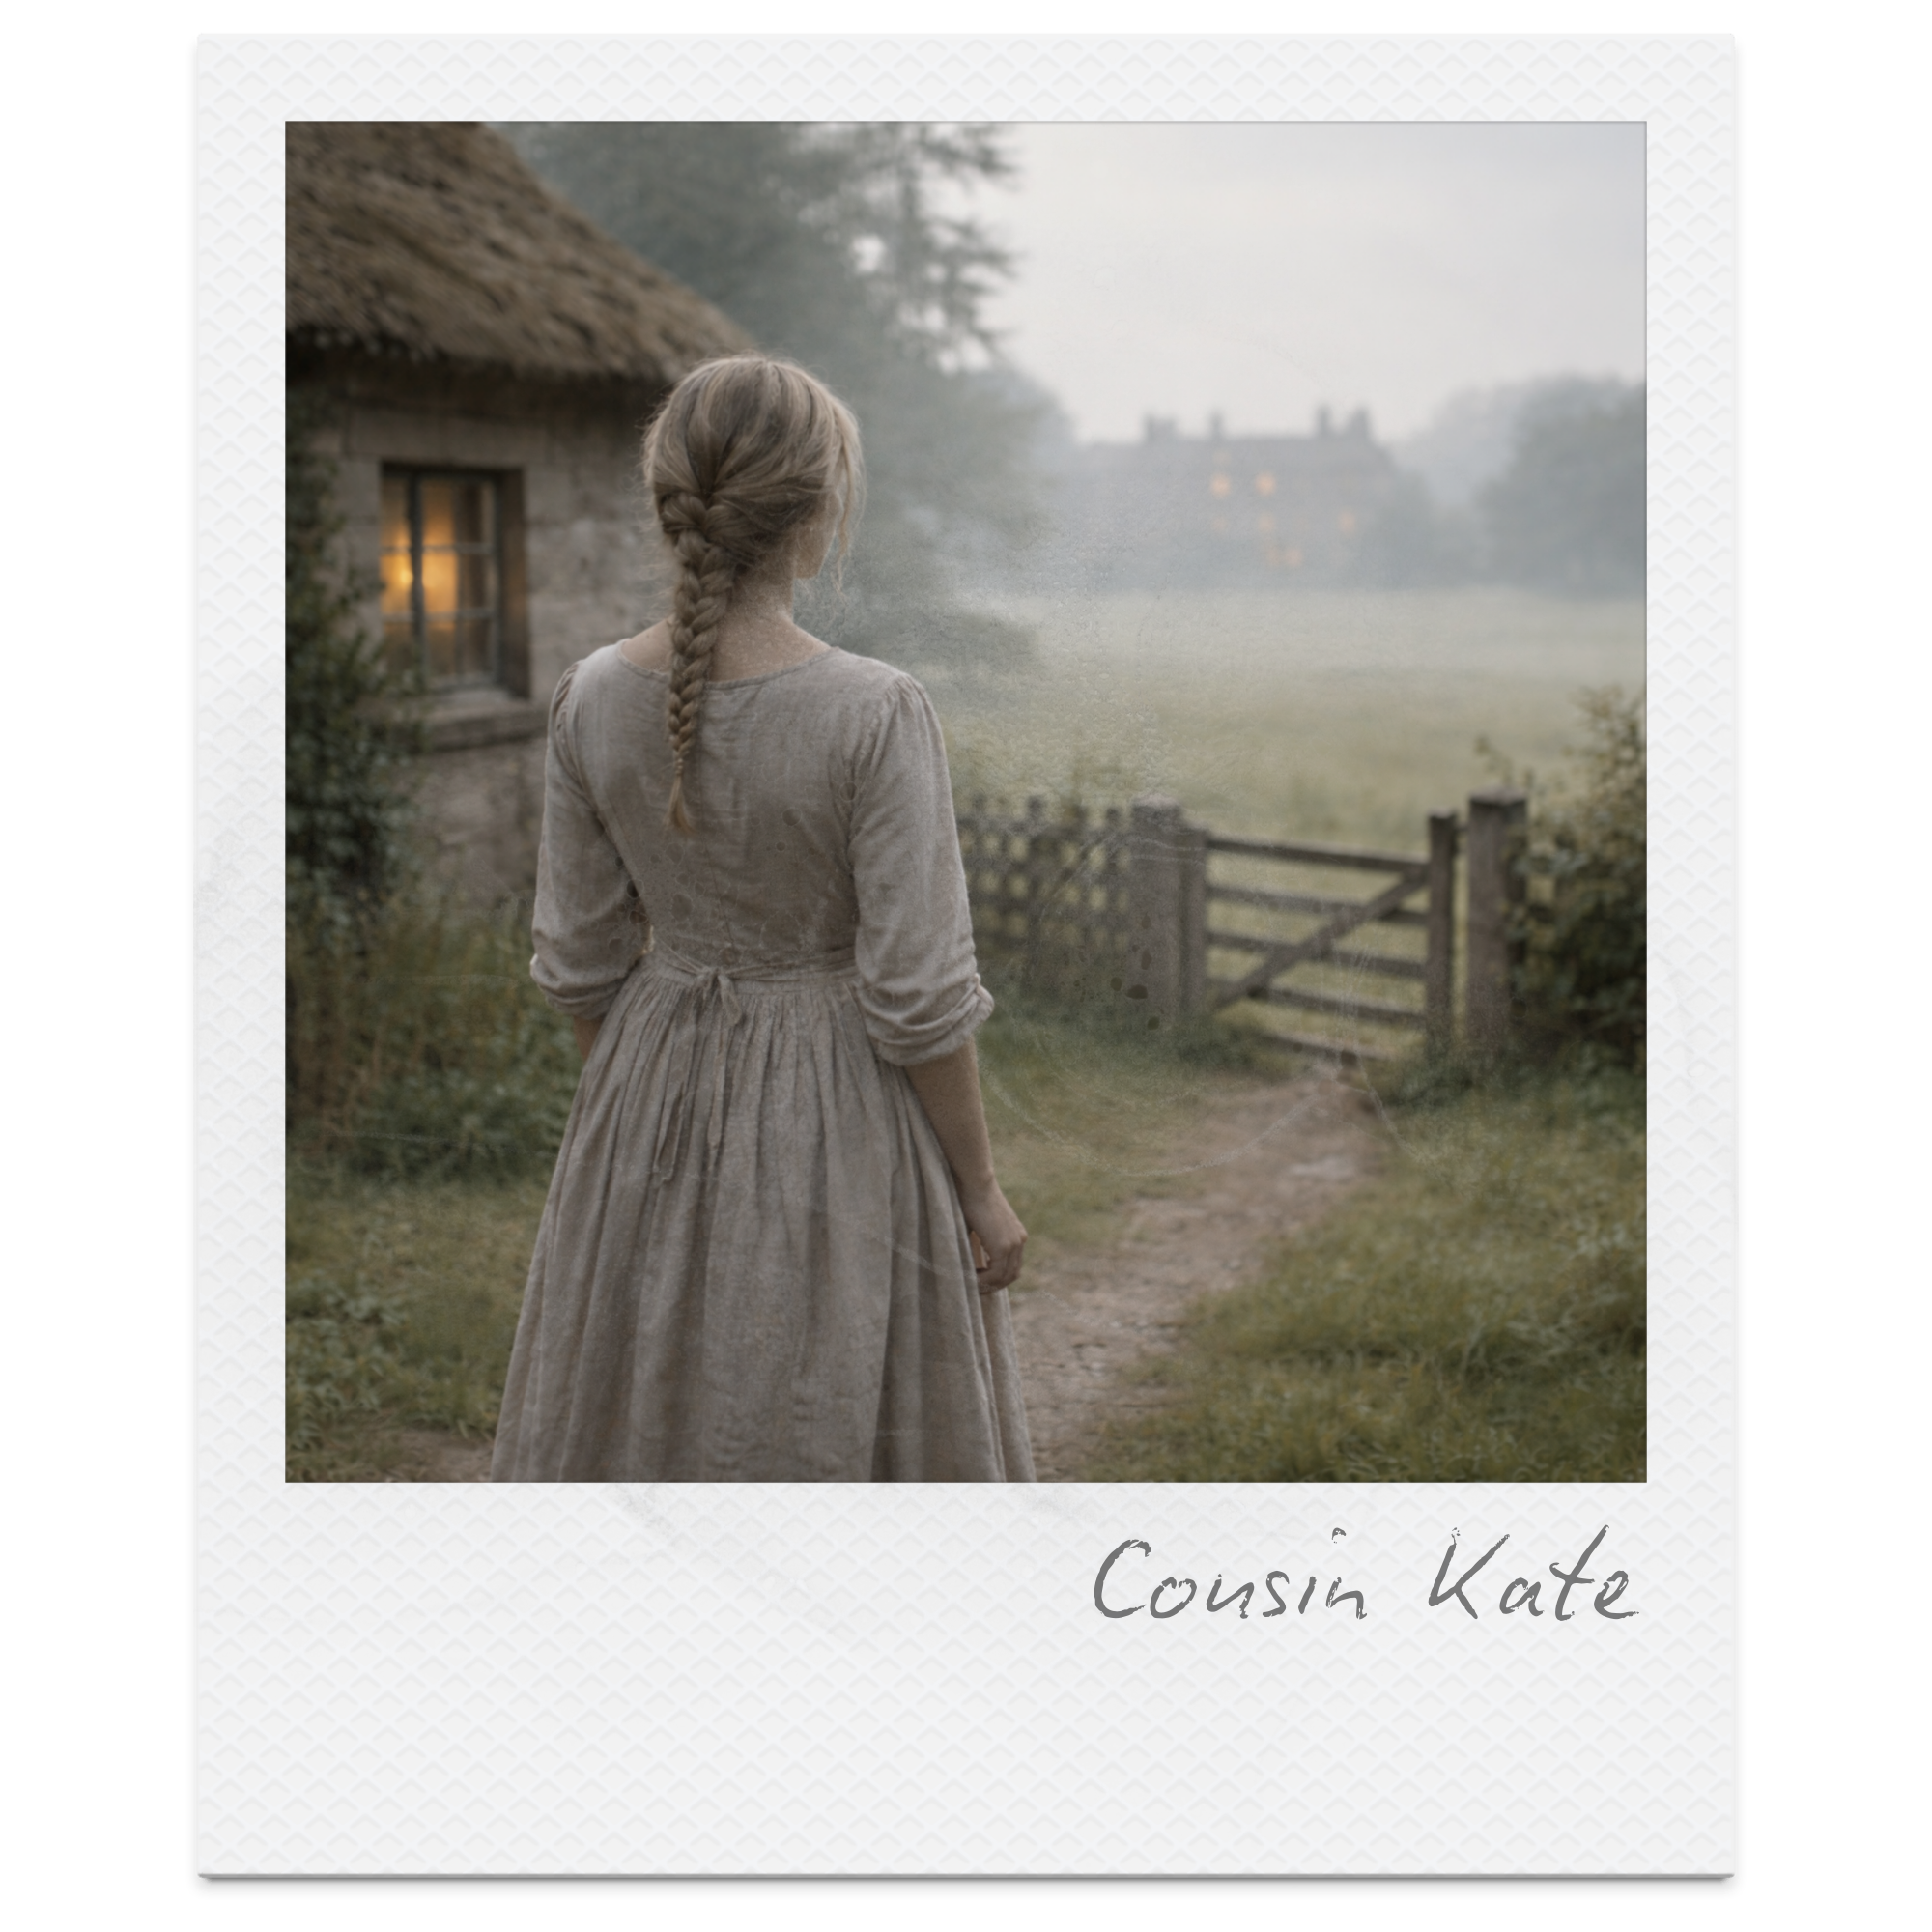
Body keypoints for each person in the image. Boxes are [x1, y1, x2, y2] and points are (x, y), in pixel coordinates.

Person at [489, 356, 1035, 1482]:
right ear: (818, 509)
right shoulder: (873, 710)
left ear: (667, 504)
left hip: (640, 1089)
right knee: (823, 1399)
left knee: (644, 1403)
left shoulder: (590, 695)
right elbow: (919, 996)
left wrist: (649, 1106)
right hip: (841, 1114)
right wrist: (979, 1189)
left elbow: (580, 963)